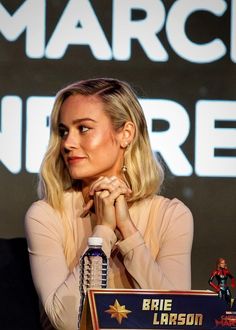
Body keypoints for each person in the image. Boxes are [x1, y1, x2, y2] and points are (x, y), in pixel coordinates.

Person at [25, 78, 193, 330]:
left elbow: (176, 319)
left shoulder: (171, 215)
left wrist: (127, 230)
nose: (67, 144)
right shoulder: (46, 215)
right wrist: (102, 231)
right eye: (63, 131)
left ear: (125, 133)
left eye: (83, 128)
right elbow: (68, 322)